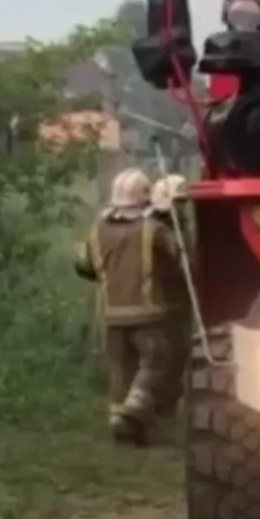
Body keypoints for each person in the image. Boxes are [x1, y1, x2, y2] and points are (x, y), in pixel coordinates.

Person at [74, 167, 186, 446]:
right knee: (157, 361)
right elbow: (180, 264)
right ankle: (134, 410)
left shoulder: (97, 229)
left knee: (121, 371)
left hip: (111, 314)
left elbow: (84, 266)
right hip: (149, 312)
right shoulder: (155, 230)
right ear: (144, 197)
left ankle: (118, 421)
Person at [148, 174, 194, 421]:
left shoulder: (178, 225)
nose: (183, 208)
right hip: (161, 301)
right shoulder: (155, 229)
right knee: (163, 356)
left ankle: (166, 406)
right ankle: (157, 407)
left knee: (177, 354)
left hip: (178, 300)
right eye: (178, 203)